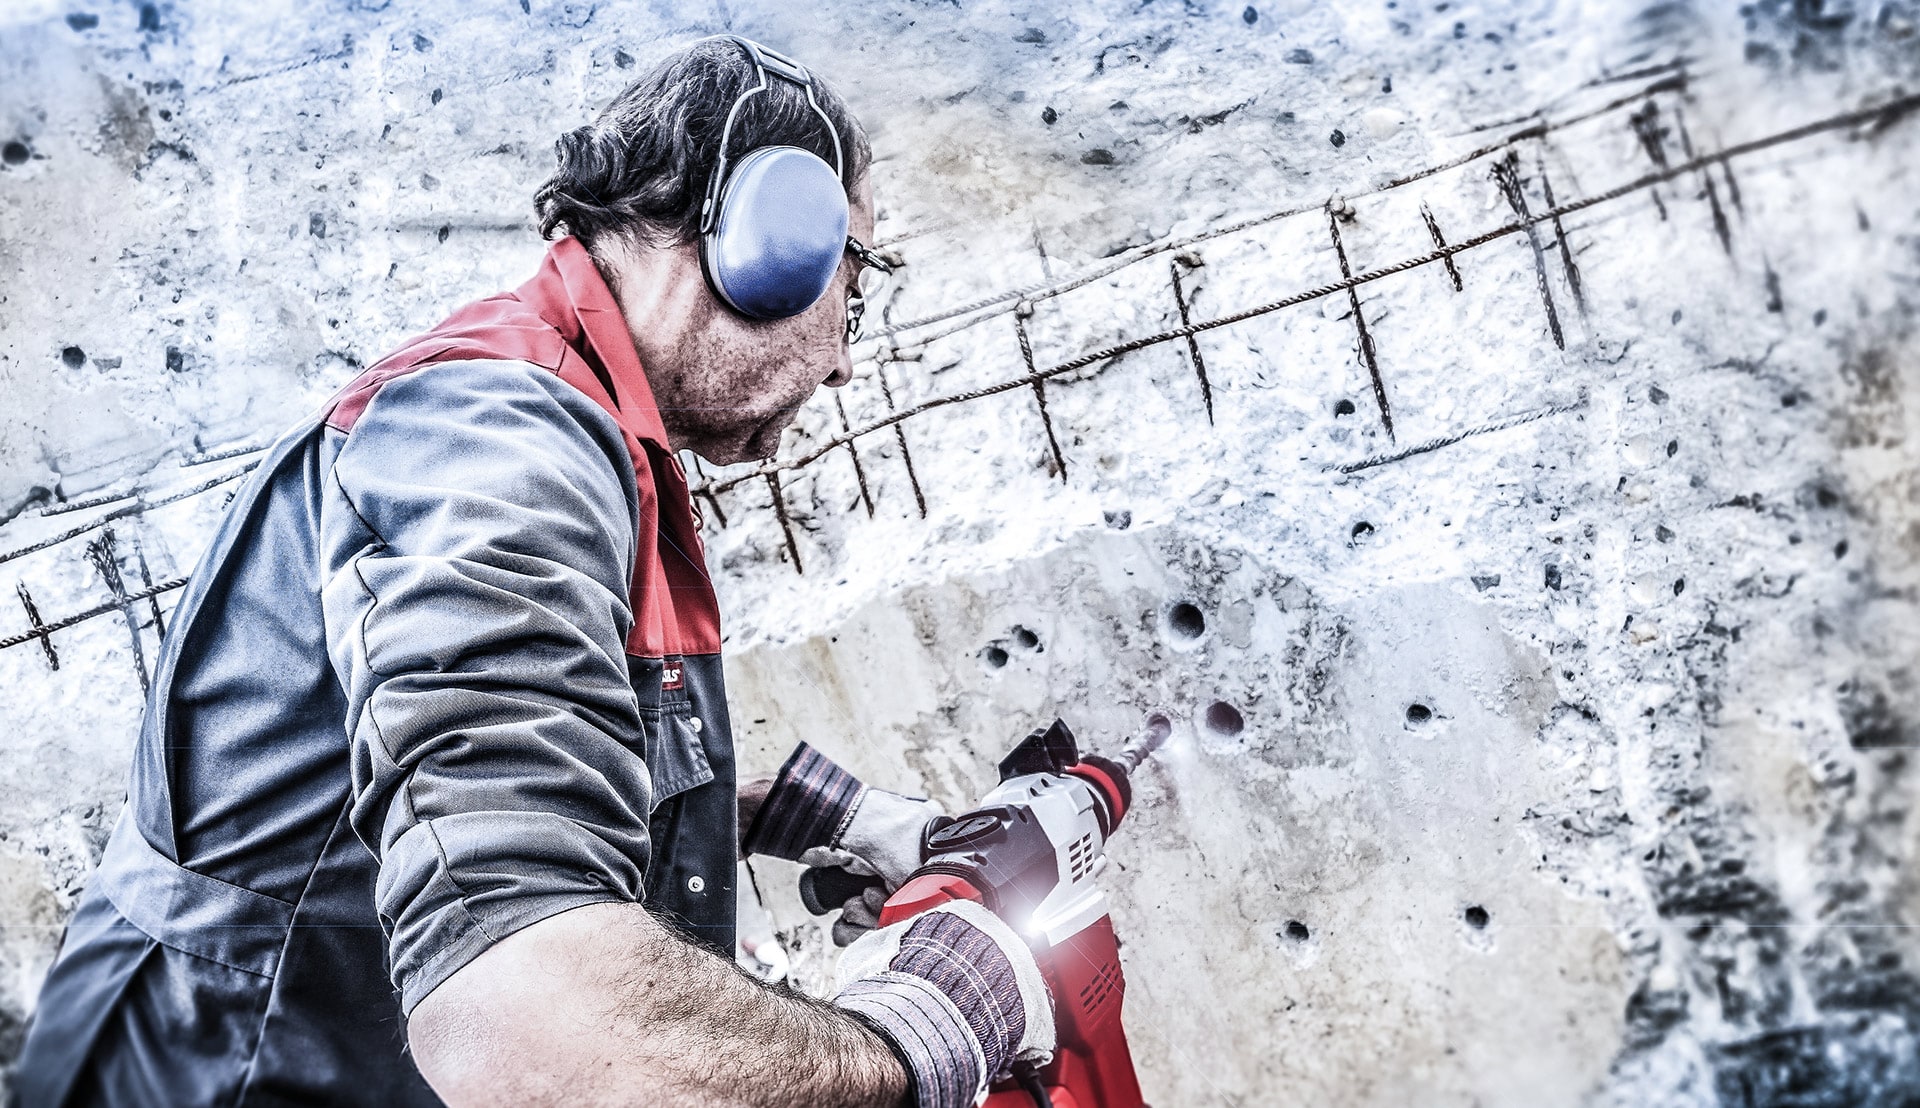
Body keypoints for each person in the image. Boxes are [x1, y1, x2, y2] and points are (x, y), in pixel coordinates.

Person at [14, 36, 1051, 1108]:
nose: (842, 358)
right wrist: (915, 1035)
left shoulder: (566, 421)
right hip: (232, 1074)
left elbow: (477, 773)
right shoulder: (504, 440)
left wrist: (794, 809)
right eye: (855, 286)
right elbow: (533, 1027)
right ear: (766, 243)